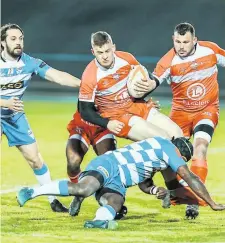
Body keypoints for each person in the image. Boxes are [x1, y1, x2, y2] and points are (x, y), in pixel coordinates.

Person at [17, 137, 225, 229]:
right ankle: (32, 191)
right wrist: (212, 203)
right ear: (180, 153)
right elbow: (190, 177)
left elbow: (144, 183)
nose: (178, 165)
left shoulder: (159, 155)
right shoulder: (168, 149)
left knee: (115, 204)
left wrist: (154, 190)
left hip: (120, 181)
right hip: (110, 163)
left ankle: (98, 221)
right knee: (85, 188)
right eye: (181, 160)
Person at [0, 23, 81, 212]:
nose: (18, 43)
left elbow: (57, 76)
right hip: (5, 108)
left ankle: (53, 201)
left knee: (35, 159)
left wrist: (83, 84)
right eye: (13, 39)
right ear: (2, 43)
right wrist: (5, 103)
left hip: (14, 115)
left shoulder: (28, 62)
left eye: (20, 38)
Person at [148, 22, 225, 218]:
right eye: (177, 41)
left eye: (185, 42)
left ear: (195, 41)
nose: (181, 46)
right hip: (180, 114)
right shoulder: (168, 61)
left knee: (200, 147)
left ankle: (195, 201)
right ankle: (175, 193)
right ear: (173, 40)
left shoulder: (210, 50)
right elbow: (151, 83)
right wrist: (145, 100)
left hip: (206, 110)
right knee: (169, 158)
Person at [78, 31, 183, 141]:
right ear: (93, 52)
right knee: (163, 139)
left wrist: (143, 95)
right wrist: (107, 123)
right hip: (118, 116)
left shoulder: (126, 58)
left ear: (113, 48)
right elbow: (84, 110)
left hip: (137, 106)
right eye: (100, 52)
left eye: (107, 51)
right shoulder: (90, 75)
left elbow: (144, 80)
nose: (105, 56)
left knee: (178, 134)